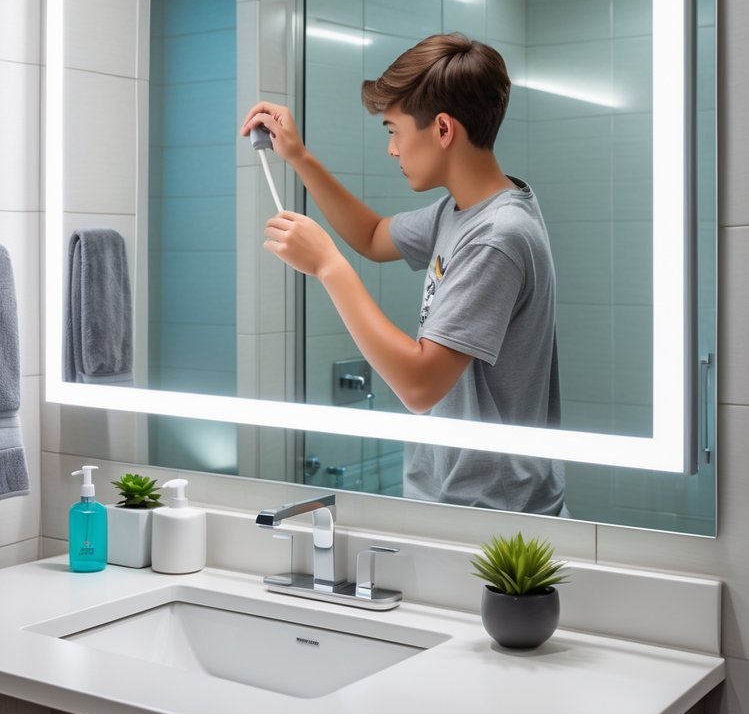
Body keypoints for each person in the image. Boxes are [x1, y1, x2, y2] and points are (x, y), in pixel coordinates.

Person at [240, 33, 564, 514]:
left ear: (442, 129)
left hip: (492, 512)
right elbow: (372, 235)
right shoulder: (461, 211)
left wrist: (328, 266)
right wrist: (299, 158)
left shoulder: (498, 236)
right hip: (455, 498)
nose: (392, 150)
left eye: (394, 130)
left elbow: (419, 385)